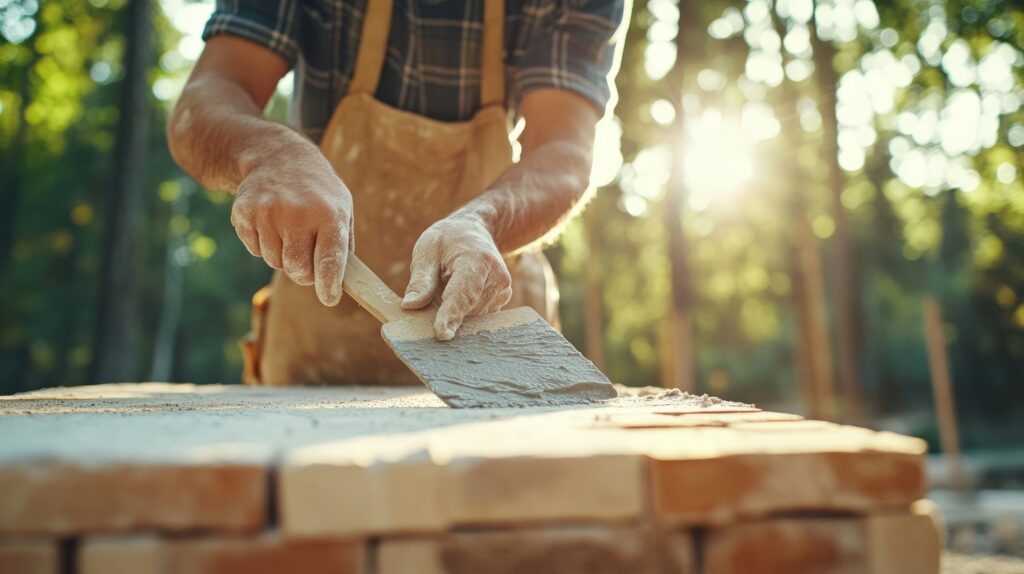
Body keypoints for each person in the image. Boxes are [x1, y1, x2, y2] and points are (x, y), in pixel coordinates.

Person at [167, 0, 626, 386]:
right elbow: (212, 90)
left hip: (488, 347)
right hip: (315, 354)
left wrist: (484, 222)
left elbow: (563, 146)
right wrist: (269, 153)